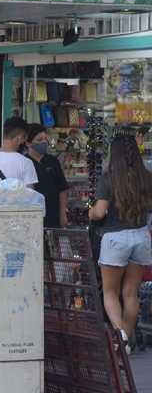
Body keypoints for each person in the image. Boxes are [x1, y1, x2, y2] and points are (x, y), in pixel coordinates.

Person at [89, 134, 152, 354]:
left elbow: (99, 212)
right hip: (141, 236)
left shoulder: (109, 178)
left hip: (115, 238)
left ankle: (120, 334)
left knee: (110, 292)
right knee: (130, 293)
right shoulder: (147, 177)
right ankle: (124, 341)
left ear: (113, 154)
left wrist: (90, 211)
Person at [24, 124, 69, 228]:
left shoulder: (52, 161)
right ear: (28, 143)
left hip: (53, 215)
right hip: (33, 216)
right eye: (39, 140)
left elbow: (62, 189)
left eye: (45, 139)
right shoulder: (24, 163)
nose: (44, 142)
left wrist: (63, 214)